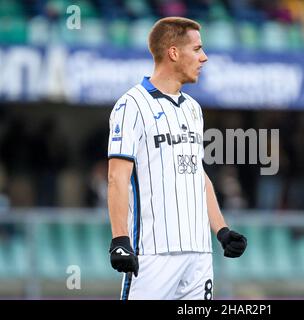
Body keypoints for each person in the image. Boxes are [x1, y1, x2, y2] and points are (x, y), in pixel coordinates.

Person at [107, 17, 247, 300]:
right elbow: (116, 176)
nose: (204, 57)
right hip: (154, 254)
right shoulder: (131, 105)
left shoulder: (193, 109)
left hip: (199, 255)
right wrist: (120, 239)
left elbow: (198, 174)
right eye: (197, 49)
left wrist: (221, 230)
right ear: (173, 52)